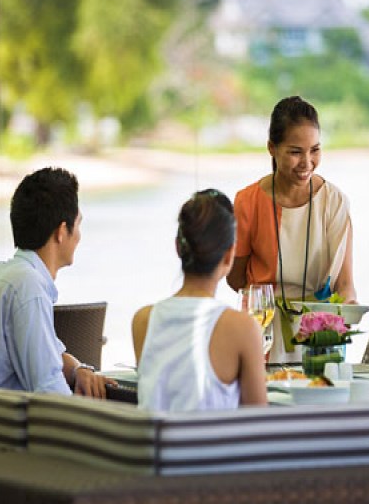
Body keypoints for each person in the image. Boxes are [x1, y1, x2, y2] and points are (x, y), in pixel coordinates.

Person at [0, 167, 113, 398]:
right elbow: (48, 389)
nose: (79, 236)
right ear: (61, 231)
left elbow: (50, 354)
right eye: (78, 224)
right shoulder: (28, 287)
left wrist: (78, 370)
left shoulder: (0, 275)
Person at [226, 96, 356, 363]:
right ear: (272, 148)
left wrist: (349, 315)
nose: (307, 162)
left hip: (319, 333)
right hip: (262, 329)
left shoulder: (334, 201)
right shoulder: (247, 202)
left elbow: (345, 285)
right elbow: (235, 279)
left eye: (315, 150)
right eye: (295, 151)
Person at [132, 189, 267, 412]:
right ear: (229, 254)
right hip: (208, 446)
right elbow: (257, 422)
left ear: (178, 247)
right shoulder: (241, 327)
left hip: (153, 446)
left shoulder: (142, 320)